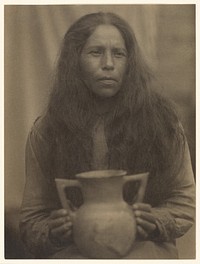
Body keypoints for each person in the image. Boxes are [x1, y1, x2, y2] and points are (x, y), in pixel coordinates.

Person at [19, 12, 195, 259]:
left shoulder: (162, 124)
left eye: (119, 54)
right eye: (96, 52)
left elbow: (185, 204)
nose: (109, 64)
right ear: (75, 61)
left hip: (145, 248)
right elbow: (31, 220)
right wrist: (54, 230)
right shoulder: (47, 130)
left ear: (130, 62)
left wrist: (153, 220)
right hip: (76, 250)